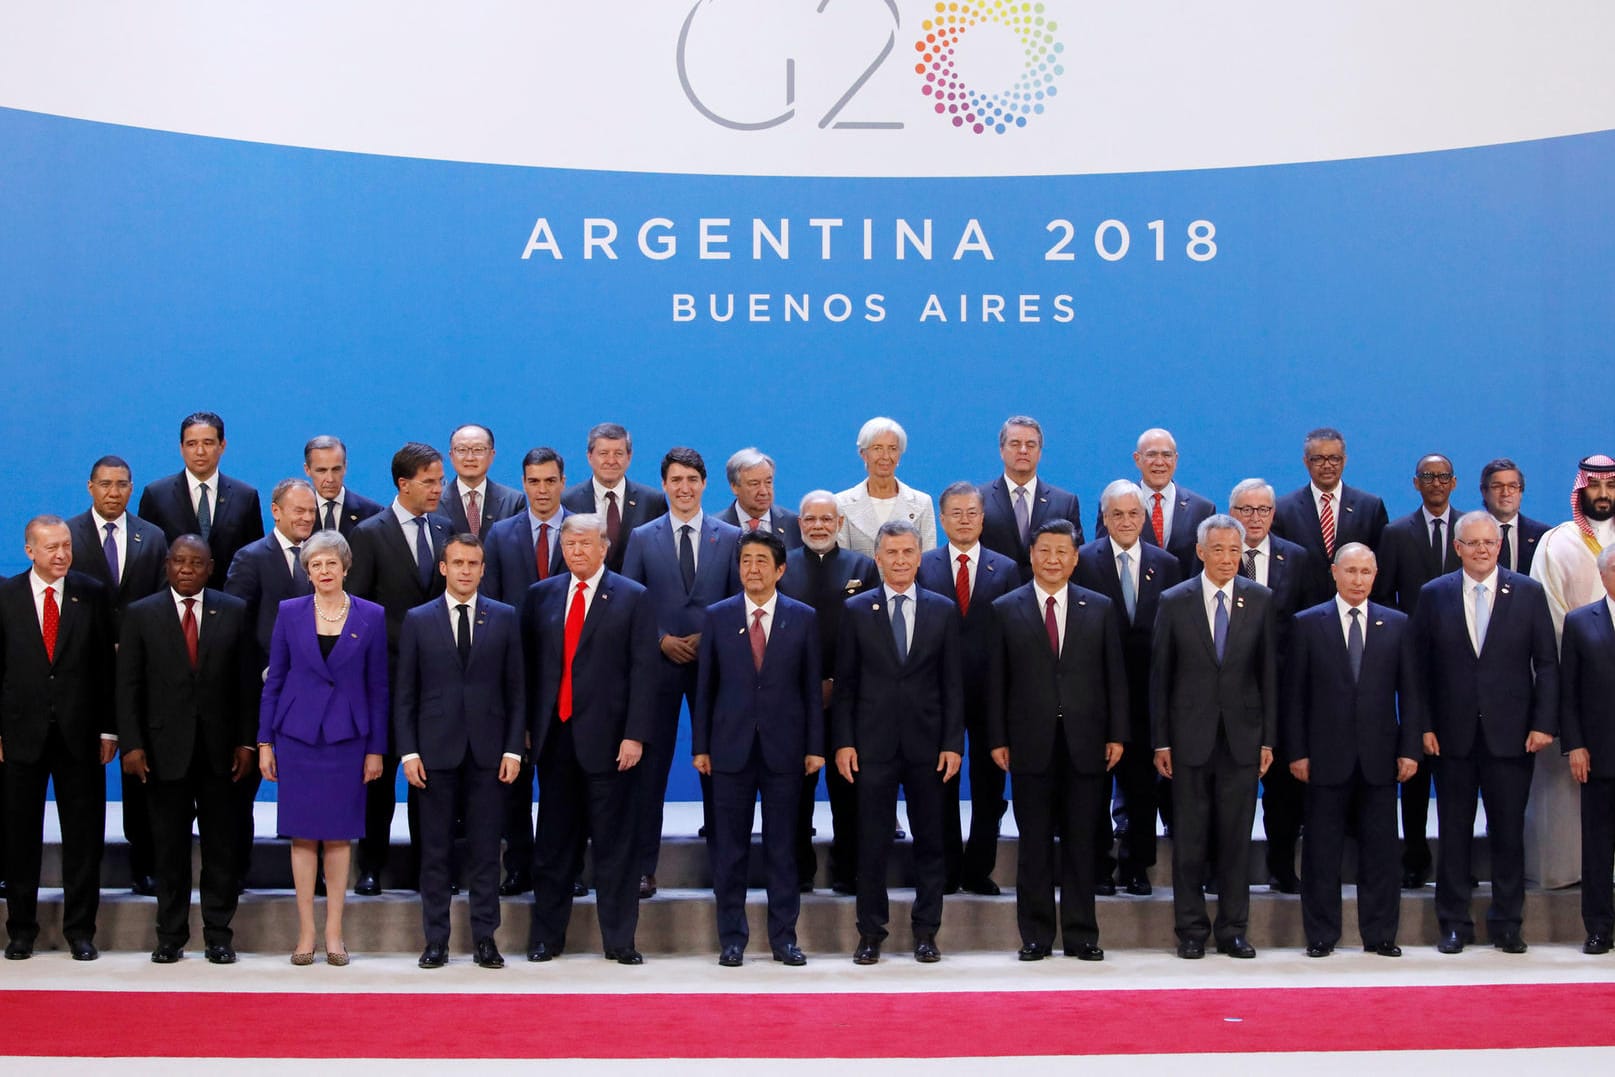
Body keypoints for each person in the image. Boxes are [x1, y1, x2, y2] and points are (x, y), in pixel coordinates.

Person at [1409, 511, 1558, 954]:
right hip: (1450, 737)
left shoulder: (1528, 593)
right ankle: (1453, 924)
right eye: (1472, 543)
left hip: (1512, 737)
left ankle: (1507, 924)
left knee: (1508, 833)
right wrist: (1424, 725)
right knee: (1454, 832)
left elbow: (1547, 664)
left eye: (1488, 543)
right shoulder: (1433, 595)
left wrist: (1543, 723)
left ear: (1499, 545)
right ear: (1457, 548)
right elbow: (1416, 669)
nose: (1481, 550)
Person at [987, 520, 1127, 960]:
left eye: (1061, 552)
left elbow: (1115, 678)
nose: (1053, 560)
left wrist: (1118, 734)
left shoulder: (1100, 607)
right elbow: (996, 683)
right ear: (1031, 555)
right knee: (1034, 846)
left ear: (1075, 557)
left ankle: (1083, 934)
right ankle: (1036, 935)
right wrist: (997, 738)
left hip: (1086, 744)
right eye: (1044, 551)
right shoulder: (1006, 608)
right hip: (1030, 745)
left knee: (1083, 843)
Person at [116, 536, 257, 964]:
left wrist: (246, 741)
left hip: (221, 754)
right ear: (167, 565)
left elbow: (246, 685)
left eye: (196, 563)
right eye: (179, 561)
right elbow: (128, 687)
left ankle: (218, 935)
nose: (187, 569)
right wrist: (133, 744)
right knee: (169, 850)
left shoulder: (233, 611)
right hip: (162, 753)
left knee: (221, 849)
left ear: (210, 567)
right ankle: (170, 936)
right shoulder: (142, 614)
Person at [523, 514, 656, 965]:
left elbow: (644, 672)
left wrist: (635, 735)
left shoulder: (633, 597)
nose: (576, 552)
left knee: (616, 849)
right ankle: (546, 938)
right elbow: (528, 671)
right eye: (569, 544)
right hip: (554, 741)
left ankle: (620, 941)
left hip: (612, 742)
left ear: (604, 546)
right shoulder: (540, 596)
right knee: (554, 847)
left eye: (585, 543)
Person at [256, 530, 390, 965]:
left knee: (337, 837)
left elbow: (378, 687)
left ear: (345, 568)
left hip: (347, 740)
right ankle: (305, 934)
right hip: (297, 737)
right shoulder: (290, 612)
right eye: (316, 564)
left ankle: (334, 933)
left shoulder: (371, 615)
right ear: (306, 570)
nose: (324, 571)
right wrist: (264, 742)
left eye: (332, 563)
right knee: (303, 836)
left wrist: (375, 748)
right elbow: (274, 681)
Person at [833, 520, 963, 964]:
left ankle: (927, 932)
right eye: (892, 553)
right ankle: (870, 933)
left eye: (909, 553)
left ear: (920, 555)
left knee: (931, 843)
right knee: (870, 845)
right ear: (878, 558)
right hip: (872, 747)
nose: (901, 561)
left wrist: (952, 743)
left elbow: (952, 685)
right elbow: (846, 685)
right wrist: (844, 742)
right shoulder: (855, 610)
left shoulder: (942, 609)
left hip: (929, 749)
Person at [693, 530, 823, 966]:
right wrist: (701, 746)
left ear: (780, 569)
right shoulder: (717, 616)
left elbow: (810, 690)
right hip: (728, 750)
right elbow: (705, 688)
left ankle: (784, 938)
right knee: (729, 850)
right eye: (746, 560)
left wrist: (814, 747)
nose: (753, 568)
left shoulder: (803, 617)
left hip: (785, 751)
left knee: (783, 848)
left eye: (762, 561)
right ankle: (732, 939)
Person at [1284, 543, 1420, 958]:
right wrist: (1297, 752)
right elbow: (1295, 696)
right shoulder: (1308, 624)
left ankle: (1380, 934)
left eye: (1366, 572)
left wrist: (1410, 748)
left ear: (1375, 575)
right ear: (1335, 573)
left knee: (1381, 854)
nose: (1359, 579)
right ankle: (1321, 935)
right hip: (1325, 758)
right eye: (1351, 571)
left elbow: (1412, 694)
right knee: (1322, 853)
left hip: (1380, 759)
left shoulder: (1397, 624)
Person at [395, 534, 524, 970]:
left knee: (487, 851)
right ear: (444, 568)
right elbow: (406, 694)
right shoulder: (417, 619)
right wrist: (408, 752)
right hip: (433, 755)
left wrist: (513, 749)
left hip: (489, 755)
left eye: (474, 563)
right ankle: (436, 941)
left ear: (483, 569)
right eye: (458, 563)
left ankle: (486, 938)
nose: (466, 570)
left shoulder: (505, 618)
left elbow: (516, 690)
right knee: (434, 852)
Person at [1151, 514, 1277, 959]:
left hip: (1242, 740)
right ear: (1201, 552)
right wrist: (1161, 741)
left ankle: (1233, 930)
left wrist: (1268, 740)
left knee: (1235, 840)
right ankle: (1190, 931)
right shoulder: (1174, 600)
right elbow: (1160, 677)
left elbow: (1269, 676)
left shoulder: (1260, 599)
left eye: (1234, 550)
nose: (1227, 559)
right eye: (1218, 550)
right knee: (1189, 840)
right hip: (1188, 740)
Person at [622, 447, 742, 897]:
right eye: (676, 480)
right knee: (650, 771)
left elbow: (738, 602)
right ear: (665, 485)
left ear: (704, 483)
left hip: (714, 666)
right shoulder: (642, 536)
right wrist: (659, 639)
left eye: (692, 479)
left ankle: (723, 864)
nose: (684, 488)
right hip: (658, 665)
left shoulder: (728, 537)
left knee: (718, 764)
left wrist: (709, 638)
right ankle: (642, 868)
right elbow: (631, 599)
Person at [0, 516, 115, 961]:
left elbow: (106, 669)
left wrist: (109, 728)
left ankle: (81, 931)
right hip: (20, 735)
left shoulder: (92, 593)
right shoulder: (7, 596)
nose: (62, 555)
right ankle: (21, 931)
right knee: (19, 836)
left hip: (81, 736)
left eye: (66, 546)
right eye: (52, 548)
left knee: (84, 839)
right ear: (30, 551)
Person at [345, 442, 453, 895]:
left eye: (440, 480)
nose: (437, 489)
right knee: (381, 775)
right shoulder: (369, 534)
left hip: (439, 678)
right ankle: (372, 864)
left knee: (432, 778)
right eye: (429, 481)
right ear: (403, 484)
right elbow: (359, 608)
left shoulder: (446, 528)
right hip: (386, 676)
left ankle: (432, 868)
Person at [67, 455, 169, 898]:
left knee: (139, 767)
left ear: (132, 488)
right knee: (79, 768)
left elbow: (162, 600)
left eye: (122, 484)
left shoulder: (153, 536)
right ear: (90, 487)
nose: (113, 492)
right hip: (80, 671)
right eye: (105, 484)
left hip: (140, 669)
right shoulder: (67, 535)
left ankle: (143, 862)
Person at [1075, 479, 1181, 895]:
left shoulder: (1167, 563)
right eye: (1116, 514)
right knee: (1095, 784)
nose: (1125, 521)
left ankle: (1137, 864)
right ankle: (1098, 864)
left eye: (1133, 513)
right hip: (1094, 691)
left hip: (1146, 692)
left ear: (1144, 517)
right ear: (1103, 518)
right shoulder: (1083, 560)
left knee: (1141, 785)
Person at [917, 481, 1019, 894]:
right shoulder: (924, 565)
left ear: (982, 518)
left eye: (971, 513)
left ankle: (979, 868)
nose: (964, 520)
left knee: (988, 784)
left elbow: (1013, 633)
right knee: (939, 779)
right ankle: (944, 868)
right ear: (941, 520)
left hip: (988, 691)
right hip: (936, 692)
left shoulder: (1006, 568)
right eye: (955, 513)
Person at [1368, 454, 1462, 890]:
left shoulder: (1471, 530)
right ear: (1416, 483)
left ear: (1454, 482)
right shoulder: (1395, 533)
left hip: (1464, 663)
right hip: (1411, 661)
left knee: (1457, 762)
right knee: (1414, 761)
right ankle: (1415, 853)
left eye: (1443, 476)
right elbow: (1383, 596)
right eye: (1428, 477)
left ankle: (1457, 857)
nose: (1436, 483)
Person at [778, 490, 880, 894]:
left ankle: (847, 870)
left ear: (839, 524)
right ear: (798, 524)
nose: (818, 526)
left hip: (848, 697)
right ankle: (798, 870)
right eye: (810, 519)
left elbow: (871, 636)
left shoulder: (863, 567)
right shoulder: (782, 567)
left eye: (826, 519)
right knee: (795, 790)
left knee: (848, 787)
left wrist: (838, 684)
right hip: (794, 698)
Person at [480, 446, 571, 896]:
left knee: (562, 780)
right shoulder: (500, 535)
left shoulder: (580, 531)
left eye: (550, 481)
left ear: (562, 481)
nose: (541, 490)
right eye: (533, 482)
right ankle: (518, 864)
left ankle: (564, 868)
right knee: (513, 779)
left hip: (569, 678)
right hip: (516, 675)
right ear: (523, 484)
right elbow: (492, 607)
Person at [1526, 454, 1615, 889]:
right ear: (1581, 490)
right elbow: (1550, 614)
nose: (1603, 494)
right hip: (1575, 684)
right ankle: (1566, 874)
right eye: (1595, 486)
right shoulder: (1558, 542)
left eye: (1610, 486)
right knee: (1570, 796)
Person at [224, 477, 318, 886]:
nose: (306, 518)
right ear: (276, 512)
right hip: (260, 692)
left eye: (311, 511)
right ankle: (236, 872)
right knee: (241, 790)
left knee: (311, 789)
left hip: (313, 696)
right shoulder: (251, 558)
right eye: (298, 510)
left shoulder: (324, 557)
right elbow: (235, 628)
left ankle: (314, 876)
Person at [1229, 478, 1318, 895]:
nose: (1254, 518)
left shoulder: (1297, 559)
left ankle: (1282, 866)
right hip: (1229, 694)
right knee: (1229, 787)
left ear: (1273, 514)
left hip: (1283, 692)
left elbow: (1309, 627)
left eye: (1262, 510)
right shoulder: (1217, 554)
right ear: (1233, 513)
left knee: (1284, 790)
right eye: (1245, 510)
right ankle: (1223, 869)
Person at [1558, 546, 1615, 954]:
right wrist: (1574, 745)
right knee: (1597, 849)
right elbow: (1568, 694)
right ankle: (1598, 929)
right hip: (1599, 755)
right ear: (1604, 573)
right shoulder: (1580, 622)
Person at [137, 411, 264, 590]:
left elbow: (253, 560)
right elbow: (148, 560)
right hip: (172, 607)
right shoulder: (156, 495)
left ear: (222, 445)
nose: (200, 451)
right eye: (191, 444)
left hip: (227, 606)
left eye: (208, 443)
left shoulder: (245, 497)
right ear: (181, 448)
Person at [1271, 426, 1389, 602]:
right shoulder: (1284, 510)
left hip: (1356, 613)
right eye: (1318, 459)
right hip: (1301, 614)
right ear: (1306, 461)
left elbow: (1381, 568)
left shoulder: (1370, 507)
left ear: (1344, 460)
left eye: (1334, 458)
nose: (1327, 465)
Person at [1097, 428, 1215, 580]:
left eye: (1166, 455)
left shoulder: (1202, 509)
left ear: (1176, 459)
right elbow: (1102, 557)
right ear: (1137, 459)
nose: (1159, 462)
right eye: (1151, 455)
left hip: (1184, 600)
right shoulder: (1114, 503)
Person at [977, 415, 1085, 581]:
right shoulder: (979, 500)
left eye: (1030, 445)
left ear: (1039, 453)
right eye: (1015, 444)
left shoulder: (1064, 503)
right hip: (994, 599)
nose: (1023, 450)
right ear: (1001, 450)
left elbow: (1075, 558)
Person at [559, 422, 668, 573]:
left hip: (636, 594)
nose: (611, 461)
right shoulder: (567, 501)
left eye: (618, 454)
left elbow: (659, 558)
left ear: (629, 457)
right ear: (589, 456)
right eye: (603, 453)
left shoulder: (652, 501)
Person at [835, 417, 938, 554]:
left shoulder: (922, 503)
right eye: (877, 448)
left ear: (899, 454)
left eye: (892, 449)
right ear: (863, 454)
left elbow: (927, 561)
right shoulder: (842, 503)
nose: (885, 456)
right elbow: (843, 563)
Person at [442, 424, 525, 538]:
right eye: (461, 450)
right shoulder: (435, 501)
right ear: (451, 455)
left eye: (478, 450)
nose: (470, 458)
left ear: (492, 455)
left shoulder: (513, 501)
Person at [717, 447, 802, 548]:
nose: (764, 491)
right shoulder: (716, 528)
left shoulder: (794, 525)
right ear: (734, 487)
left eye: (768, 482)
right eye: (754, 484)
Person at [1479, 458, 1549, 576]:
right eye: (1497, 486)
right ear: (1484, 492)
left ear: (1521, 492)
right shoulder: (1469, 533)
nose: (1505, 493)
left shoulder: (1543, 536)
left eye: (1512, 486)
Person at [303, 435, 384, 536]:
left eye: (336, 469)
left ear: (345, 467)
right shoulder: (298, 517)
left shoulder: (372, 513)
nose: (330, 479)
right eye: (322, 470)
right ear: (307, 470)